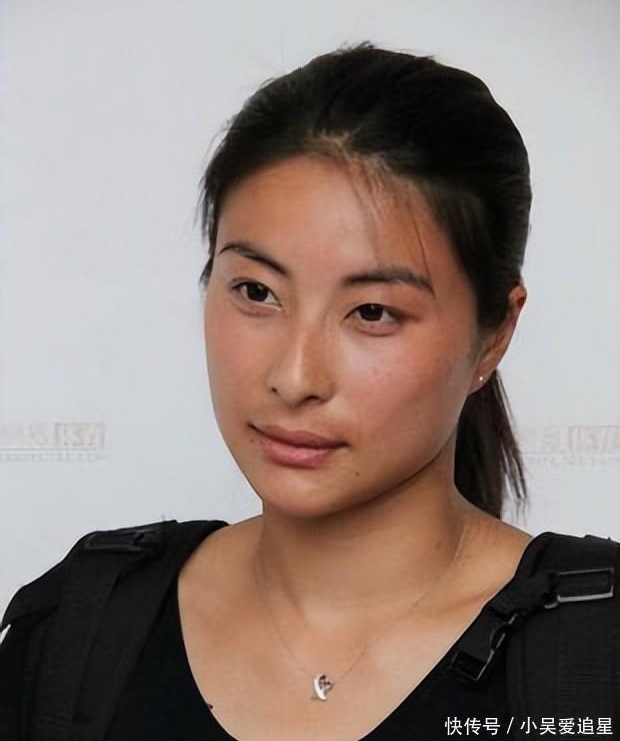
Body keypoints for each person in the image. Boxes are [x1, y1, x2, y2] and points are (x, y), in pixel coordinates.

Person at [1, 41, 617, 741]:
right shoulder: (78, 630)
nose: (294, 377)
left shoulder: (597, 654)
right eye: (256, 291)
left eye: (373, 312)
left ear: (495, 332)